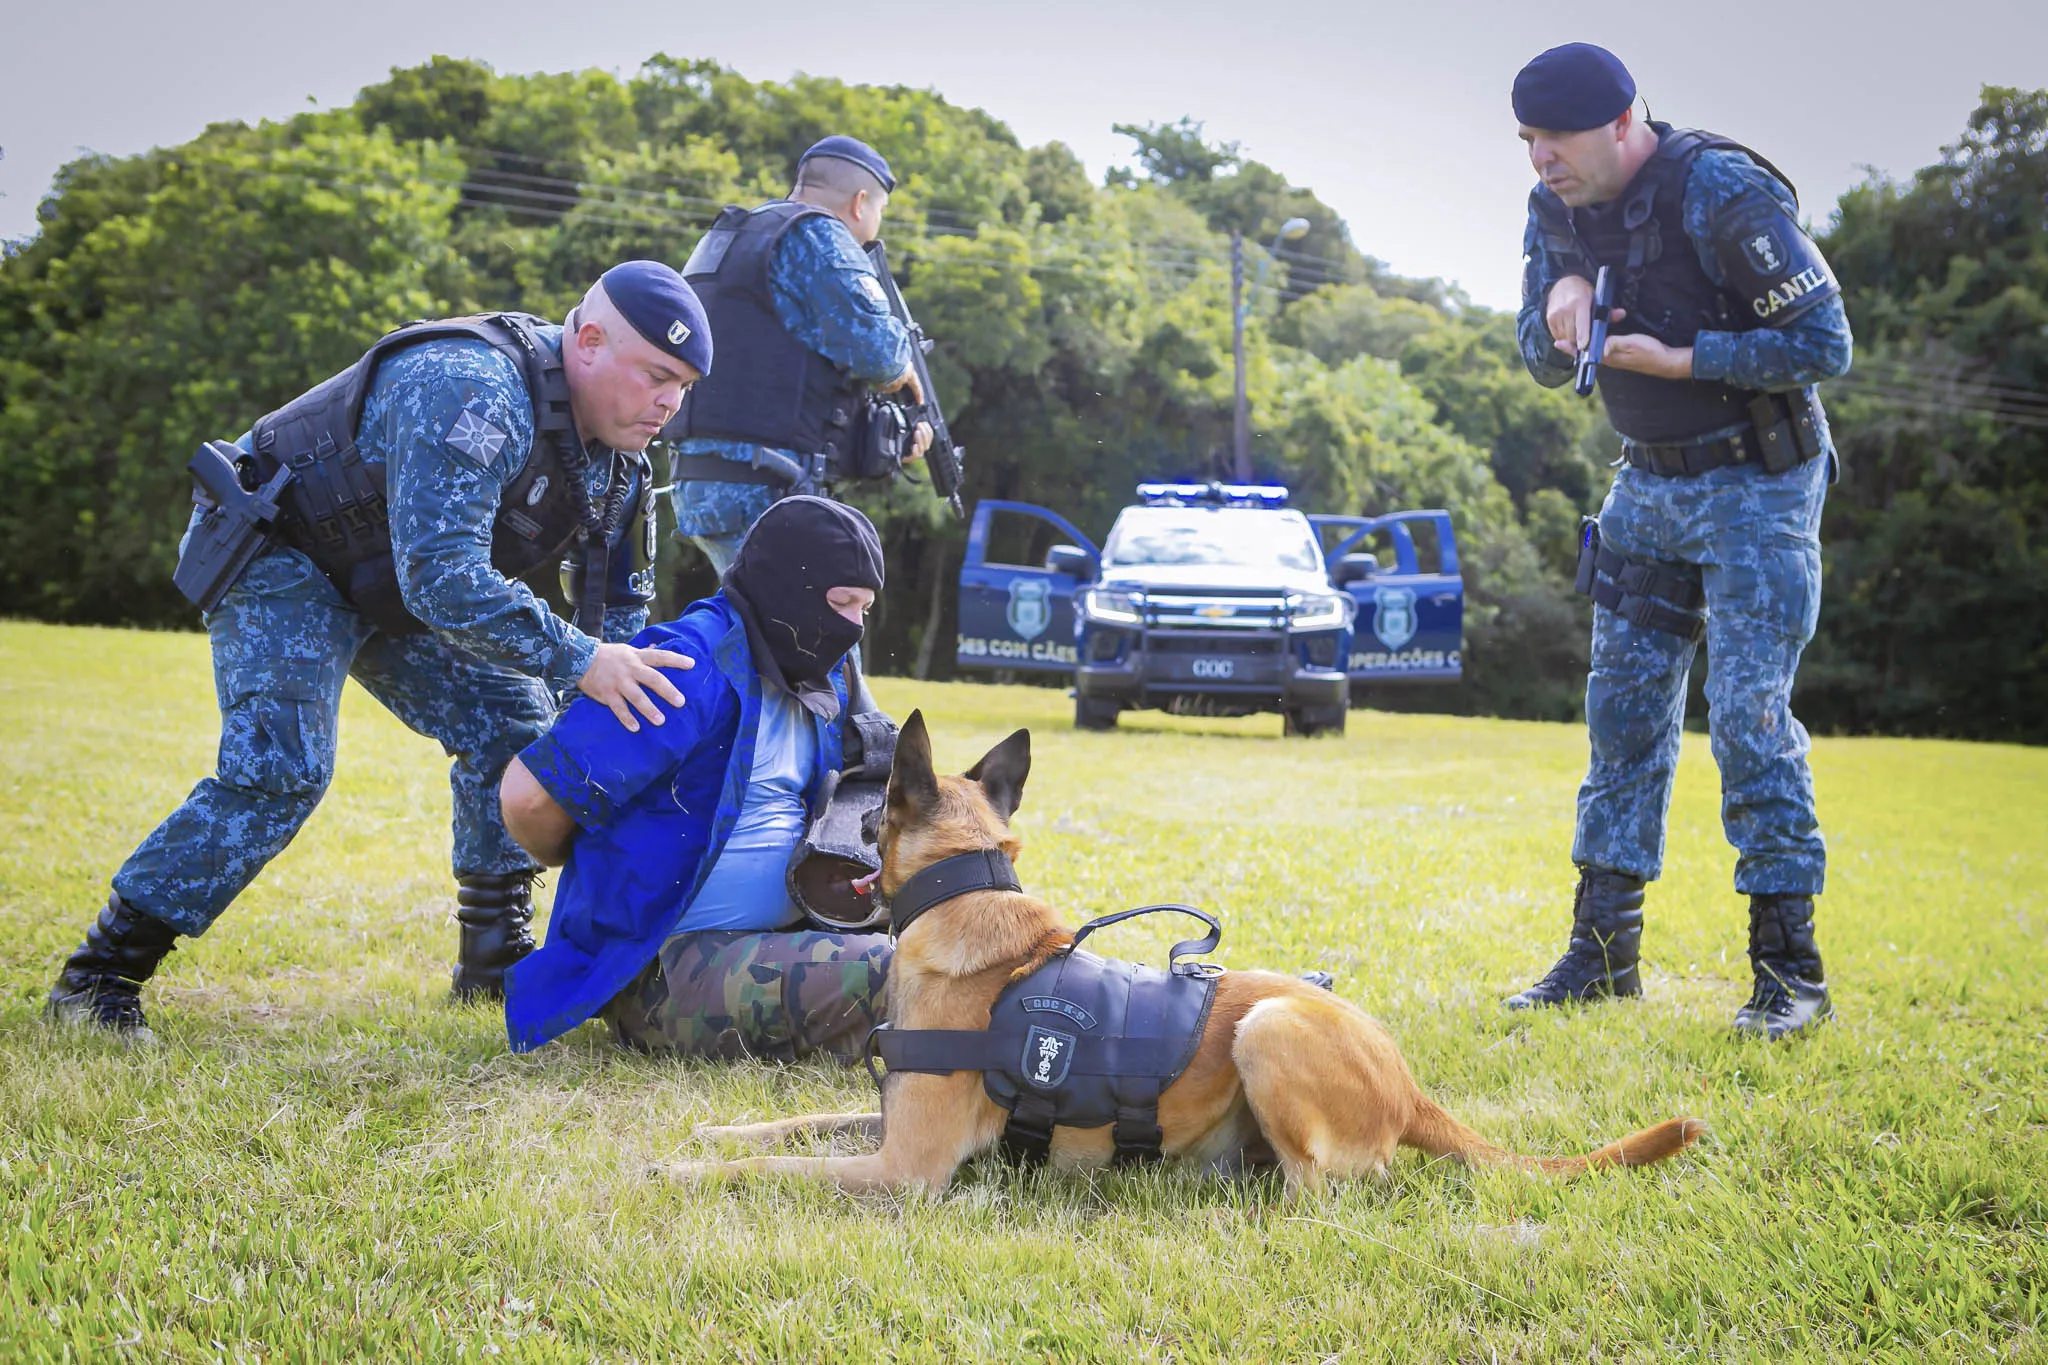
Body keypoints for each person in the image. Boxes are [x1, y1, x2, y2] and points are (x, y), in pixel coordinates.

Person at [46, 262, 714, 1042]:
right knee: (281, 767)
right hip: (285, 551)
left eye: (683, 386)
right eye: (656, 376)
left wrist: (617, 735)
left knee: (512, 722)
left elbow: (620, 627)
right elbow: (444, 579)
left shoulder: (622, 464)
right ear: (589, 341)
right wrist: (582, 660)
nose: (670, 403)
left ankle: (494, 959)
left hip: (386, 583)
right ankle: (97, 978)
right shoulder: (474, 387)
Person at [1503, 44, 1853, 1039]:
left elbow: (1824, 344)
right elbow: (1537, 355)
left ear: (1622, 123)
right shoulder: (1554, 209)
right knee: (1619, 715)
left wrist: (1681, 357)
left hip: (1758, 483)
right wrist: (1558, 305)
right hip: (1646, 483)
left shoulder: (1720, 189)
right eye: (1527, 141)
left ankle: (1789, 974)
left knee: (1745, 719)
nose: (1541, 160)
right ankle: (1600, 956)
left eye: (1557, 140)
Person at [499, 496, 892, 1058]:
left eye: (865, 608)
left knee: (963, 942)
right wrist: (597, 865)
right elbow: (528, 798)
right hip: (668, 970)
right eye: (841, 603)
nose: (852, 628)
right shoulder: (686, 670)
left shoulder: (821, 669)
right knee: (901, 975)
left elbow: (878, 777)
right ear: (787, 590)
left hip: (786, 938)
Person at [666, 135, 932, 575]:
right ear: (860, 202)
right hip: (769, 482)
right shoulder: (819, 235)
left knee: (750, 613)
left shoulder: (732, 235)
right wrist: (905, 370)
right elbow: (878, 352)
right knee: (814, 616)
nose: (877, 225)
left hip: (699, 476)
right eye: (881, 211)